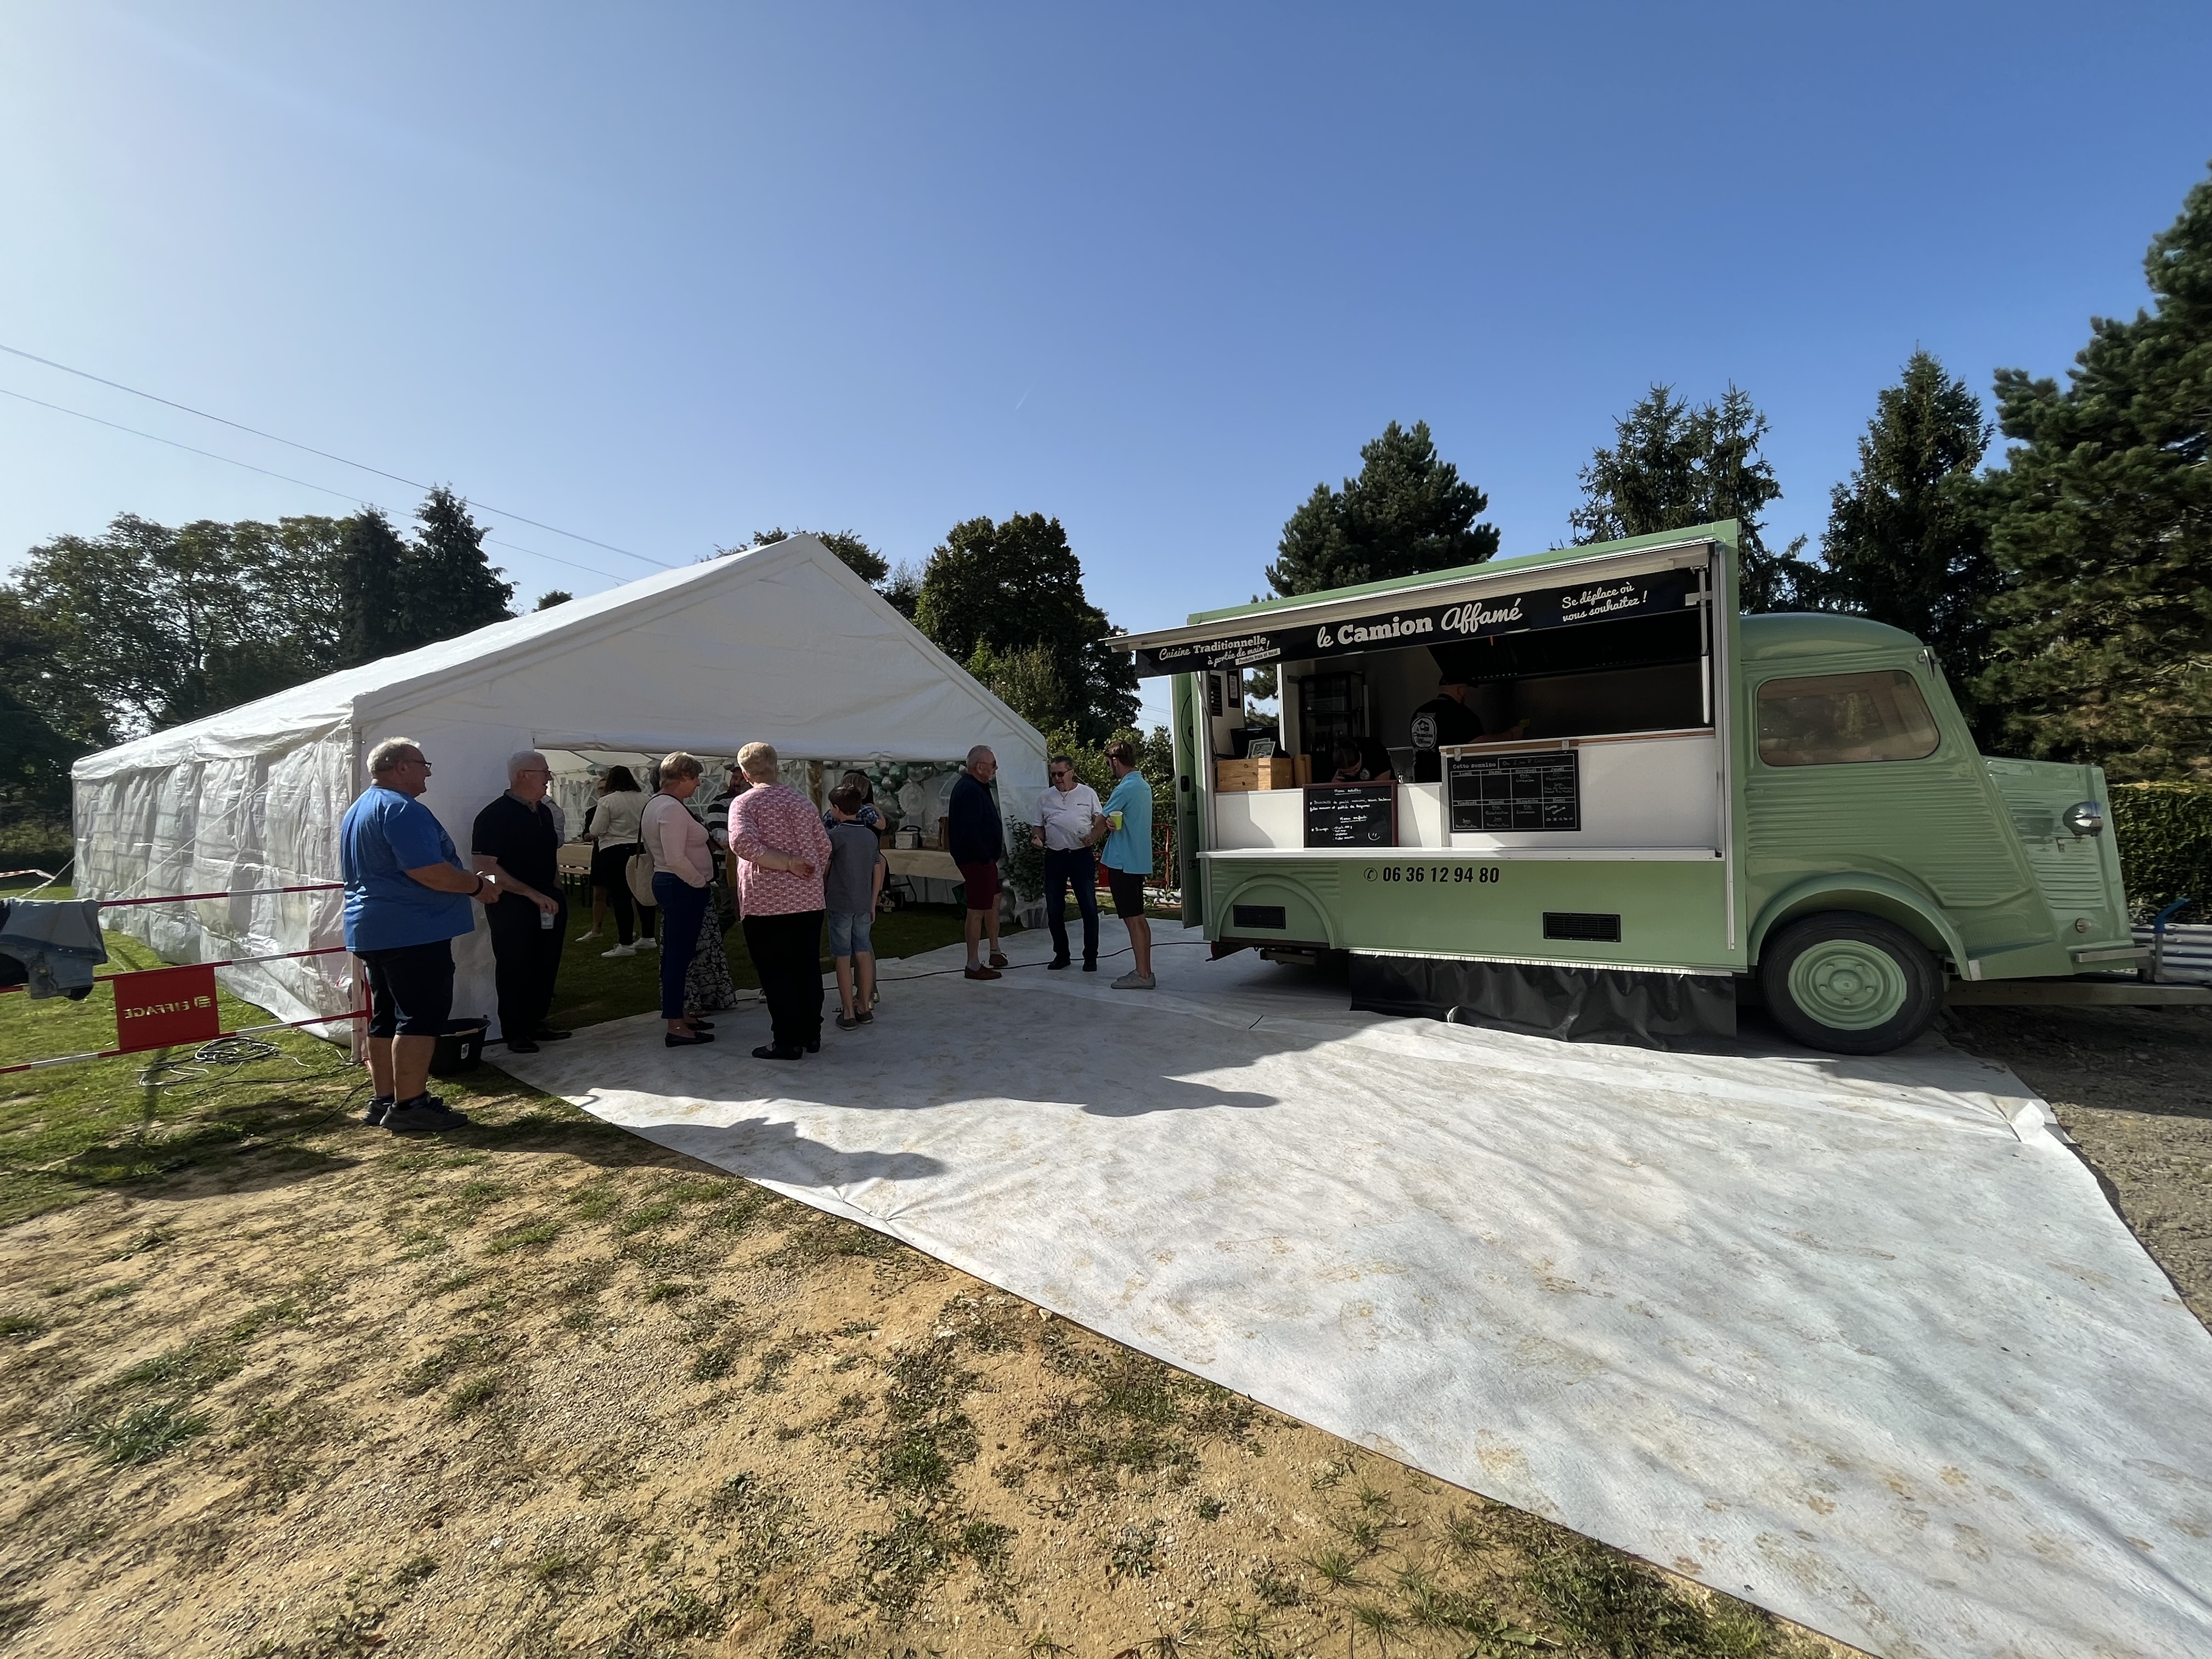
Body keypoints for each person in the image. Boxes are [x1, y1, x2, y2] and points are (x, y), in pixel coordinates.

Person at [340, 737, 500, 1133]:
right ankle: (411, 1105)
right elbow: (429, 871)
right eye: (423, 765)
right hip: (411, 929)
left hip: (375, 929)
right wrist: (478, 887)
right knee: (420, 1017)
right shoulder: (401, 809)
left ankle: (385, 1099)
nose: (428, 773)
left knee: (386, 1017)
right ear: (401, 767)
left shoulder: (360, 808)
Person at [728, 742, 832, 1060]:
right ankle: (811, 1034)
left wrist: (786, 863)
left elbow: (741, 842)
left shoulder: (745, 803)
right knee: (807, 967)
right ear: (777, 767)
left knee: (777, 972)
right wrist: (809, 875)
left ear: (745, 773)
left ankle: (788, 1041)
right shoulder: (802, 803)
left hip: (766, 902)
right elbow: (825, 847)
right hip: (807, 900)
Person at [470, 751, 572, 1054]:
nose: (549, 778)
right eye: (544, 772)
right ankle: (515, 1030)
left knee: (546, 962)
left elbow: (548, 857)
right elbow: (486, 867)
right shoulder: (494, 815)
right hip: (512, 903)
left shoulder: (544, 813)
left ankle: (536, 1021)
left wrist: (554, 891)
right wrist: (531, 894)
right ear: (523, 775)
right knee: (515, 965)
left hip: (547, 899)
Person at [643, 752, 716, 1048]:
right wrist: (700, 883)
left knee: (679, 955)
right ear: (683, 776)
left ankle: (679, 1013)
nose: (698, 784)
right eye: (695, 778)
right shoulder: (670, 809)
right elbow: (674, 858)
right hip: (682, 886)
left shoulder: (659, 804)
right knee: (677, 956)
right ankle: (675, 1024)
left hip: (676, 885)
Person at [1029, 753, 1102, 971]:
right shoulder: (1045, 797)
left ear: (1072, 772)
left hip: (1081, 856)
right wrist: (1037, 838)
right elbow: (1038, 826)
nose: (1057, 779)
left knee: (1089, 907)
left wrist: (1093, 836)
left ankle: (1091, 957)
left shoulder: (1088, 793)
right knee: (1054, 909)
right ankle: (1062, 955)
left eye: (1061, 774)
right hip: (1055, 856)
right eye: (1053, 775)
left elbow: (1100, 820)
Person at [825, 783, 886, 1031]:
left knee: (842, 956)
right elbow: (877, 869)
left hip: (840, 903)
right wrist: (873, 902)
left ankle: (848, 1011)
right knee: (863, 952)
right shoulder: (870, 836)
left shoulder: (834, 837)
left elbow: (826, 869)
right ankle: (864, 1006)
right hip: (863, 903)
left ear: (837, 809)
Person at [580, 766, 654, 957]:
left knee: (621, 897)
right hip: (640, 848)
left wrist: (590, 835)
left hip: (614, 850)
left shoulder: (608, 801)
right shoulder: (645, 799)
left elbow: (597, 829)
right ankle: (648, 937)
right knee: (642, 893)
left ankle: (626, 944)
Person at [1100, 739, 1156, 990]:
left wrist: (1087, 839)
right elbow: (1122, 819)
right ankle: (1145, 970)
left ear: (1115, 761)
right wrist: (1113, 823)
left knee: (1133, 920)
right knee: (1139, 919)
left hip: (1123, 863)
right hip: (1137, 860)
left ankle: (1143, 974)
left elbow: (1102, 819)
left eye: (1109, 763)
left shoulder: (1124, 788)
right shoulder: (1143, 786)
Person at [950, 745, 1007, 981]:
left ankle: (994, 950)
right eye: (993, 764)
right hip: (976, 859)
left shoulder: (977, 787)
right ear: (980, 767)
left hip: (984, 859)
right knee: (976, 909)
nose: (996, 769)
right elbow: (970, 830)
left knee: (995, 898)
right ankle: (973, 964)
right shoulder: (969, 790)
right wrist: (984, 858)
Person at [1409, 680, 1485, 782]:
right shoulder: (1461, 713)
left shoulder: (1419, 713)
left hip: (1422, 782)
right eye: (1467, 691)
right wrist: (1506, 737)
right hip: (1453, 781)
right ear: (1461, 691)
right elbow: (1478, 744)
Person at [822, 769, 885, 833]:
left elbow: (823, 830)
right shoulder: (866, 810)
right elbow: (882, 826)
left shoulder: (832, 813)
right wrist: (876, 809)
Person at [1330, 737, 1395, 783]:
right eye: (1345, 773)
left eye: (1355, 770)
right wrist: (1334, 786)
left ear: (1360, 754)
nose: (1352, 774)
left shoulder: (1376, 752)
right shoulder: (1332, 761)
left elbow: (1382, 788)